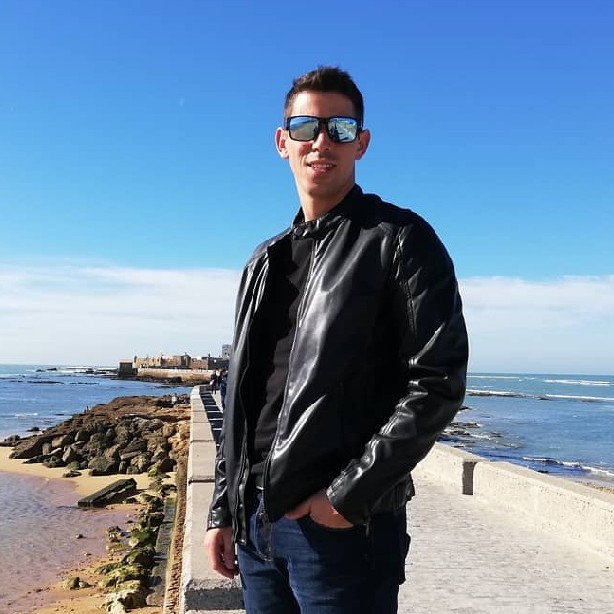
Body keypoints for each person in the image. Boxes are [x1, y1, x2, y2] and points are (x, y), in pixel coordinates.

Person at [205, 66, 468, 614]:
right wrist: (223, 510)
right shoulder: (263, 262)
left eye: (340, 129)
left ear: (361, 143)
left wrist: (345, 498)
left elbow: (437, 382)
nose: (321, 141)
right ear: (283, 142)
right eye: (305, 127)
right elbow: (241, 398)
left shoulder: (399, 240)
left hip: (343, 534)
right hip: (255, 527)